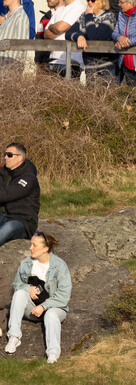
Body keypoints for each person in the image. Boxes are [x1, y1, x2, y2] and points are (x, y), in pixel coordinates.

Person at [4, 231, 70, 363]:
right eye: (30, 244)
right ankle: (14, 337)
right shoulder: (26, 263)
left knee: (51, 314)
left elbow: (63, 296)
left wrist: (44, 306)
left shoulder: (60, 266)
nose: (30, 248)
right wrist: (27, 288)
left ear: (46, 248)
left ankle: (53, 353)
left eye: (34, 245)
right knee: (19, 294)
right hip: (32, 310)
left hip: (54, 309)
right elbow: (17, 284)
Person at [66, 0, 117, 81]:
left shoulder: (109, 17)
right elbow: (68, 33)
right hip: (90, 68)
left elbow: (95, 37)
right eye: (88, 0)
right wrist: (79, 36)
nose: (89, 2)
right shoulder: (83, 16)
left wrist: (89, 16)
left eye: (93, 0)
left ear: (102, 2)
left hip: (107, 68)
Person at [0, 143, 40, 247]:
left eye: (9, 155)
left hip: (22, 221)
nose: (5, 157)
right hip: (4, 215)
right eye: (5, 154)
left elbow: (7, 194)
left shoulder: (28, 178)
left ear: (20, 158)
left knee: (8, 228)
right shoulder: (4, 171)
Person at [44, 0, 85, 74]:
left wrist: (54, 27)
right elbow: (46, 34)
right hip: (53, 60)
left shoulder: (79, 6)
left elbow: (60, 28)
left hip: (71, 61)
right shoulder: (59, 9)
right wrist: (59, 28)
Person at [0, 0, 32, 70]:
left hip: (11, 64)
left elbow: (20, 44)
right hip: (3, 63)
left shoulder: (20, 16)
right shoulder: (7, 17)